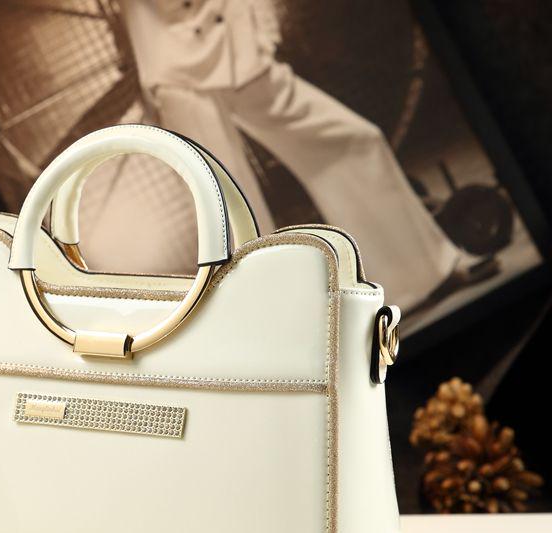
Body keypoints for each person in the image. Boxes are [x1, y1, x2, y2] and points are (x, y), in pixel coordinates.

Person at [119, 0, 492, 312]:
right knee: (230, 211)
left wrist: (258, 26)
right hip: (178, 71)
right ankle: (277, 341)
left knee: (353, 141)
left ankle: (422, 274)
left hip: (237, 52)